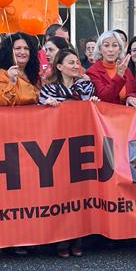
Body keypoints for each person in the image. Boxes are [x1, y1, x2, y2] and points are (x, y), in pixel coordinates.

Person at [39, 47, 95, 258]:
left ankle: (78, 239)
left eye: (77, 62)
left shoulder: (86, 86)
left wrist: (94, 105)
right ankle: (61, 239)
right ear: (60, 67)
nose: (75, 66)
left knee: (80, 192)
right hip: (57, 146)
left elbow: (94, 111)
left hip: (81, 143)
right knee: (61, 194)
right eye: (71, 62)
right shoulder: (48, 90)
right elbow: (38, 115)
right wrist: (46, 106)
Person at [0, 33, 41, 107]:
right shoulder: (0, 74)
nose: (22, 52)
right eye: (18, 48)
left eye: (26, 48)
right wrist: (11, 82)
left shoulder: (33, 75)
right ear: (9, 52)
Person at [87, 30, 129, 103]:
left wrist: (131, 97)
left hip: (126, 110)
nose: (111, 50)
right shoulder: (92, 71)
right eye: (106, 45)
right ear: (100, 49)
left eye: (114, 45)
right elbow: (105, 97)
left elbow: (133, 90)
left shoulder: (123, 67)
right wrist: (119, 76)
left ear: (119, 49)